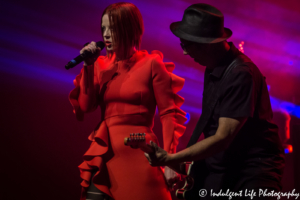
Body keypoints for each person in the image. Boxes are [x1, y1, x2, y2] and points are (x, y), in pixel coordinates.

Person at [145, 3, 285, 200]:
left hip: (253, 169)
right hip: (225, 163)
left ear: (207, 44)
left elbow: (223, 136)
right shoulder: (212, 67)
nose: (184, 52)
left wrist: (172, 159)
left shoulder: (240, 73)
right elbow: (211, 127)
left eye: (186, 45)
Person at [68, 2, 186, 200]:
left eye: (112, 28)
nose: (105, 34)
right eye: (103, 28)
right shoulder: (99, 65)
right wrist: (88, 67)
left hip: (140, 155)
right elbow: (86, 107)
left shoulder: (151, 63)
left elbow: (169, 114)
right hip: (105, 155)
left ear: (129, 28)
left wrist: (170, 161)